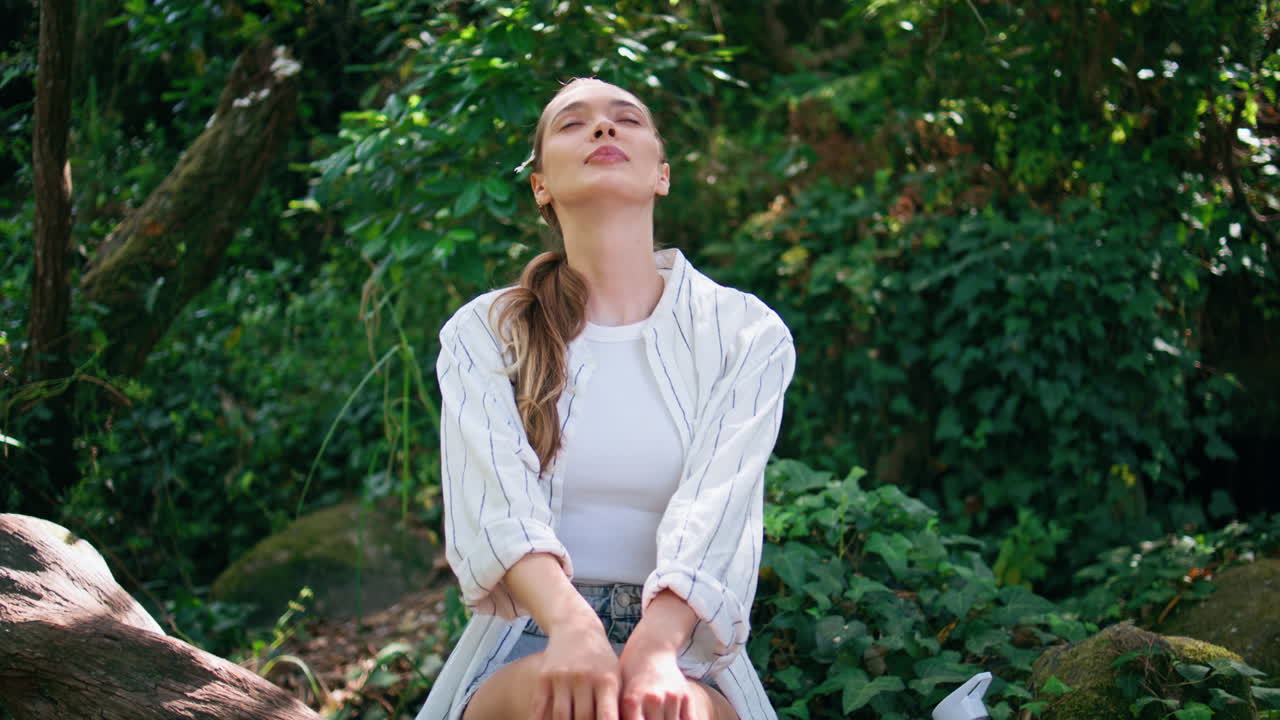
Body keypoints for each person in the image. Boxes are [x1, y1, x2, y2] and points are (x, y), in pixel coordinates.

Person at [416, 77, 795, 720]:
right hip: (528, 639)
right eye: (573, 123)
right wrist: (574, 628)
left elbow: (718, 515)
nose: (603, 128)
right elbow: (495, 508)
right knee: (567, 706)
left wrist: (653, 650)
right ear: (540, 184)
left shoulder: (744, 332)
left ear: (662, 174)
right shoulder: (486, 331)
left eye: (626, 118)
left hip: (683, 647)